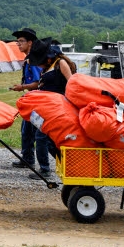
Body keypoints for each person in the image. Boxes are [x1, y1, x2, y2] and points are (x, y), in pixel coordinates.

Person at [26, 36, 76, 180]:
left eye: (39, 62)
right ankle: (64, 165)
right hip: (47, 107)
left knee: (43, 138)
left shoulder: (60, 64)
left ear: (47, 58)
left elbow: (72, 83)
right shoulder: (49, 66)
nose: (39, 65)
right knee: (46, 139)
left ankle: (47, 169)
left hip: (59, 107)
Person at [9, 28, 43, 170]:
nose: (18, 44)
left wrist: (22, 87)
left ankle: (44, 166)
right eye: (18, 42)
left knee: (39, 134)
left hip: (37, 101)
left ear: (30, 42)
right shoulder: (29, 58)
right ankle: (27, 158)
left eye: (21, 41)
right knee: (26, 130)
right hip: (31, 100)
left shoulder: (33, 60)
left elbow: (38, 82)